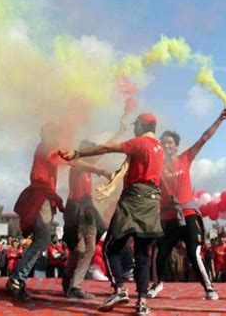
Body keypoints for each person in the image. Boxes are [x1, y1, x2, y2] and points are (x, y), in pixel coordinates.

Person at [59, 112, 164, 316]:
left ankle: (119, 289)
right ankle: (142, 302)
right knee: (142, 254)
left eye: (136, 126)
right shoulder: (158, 148)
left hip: (133, 200)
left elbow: (106, 148)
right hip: (152, 202)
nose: (135, 129)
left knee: (110, 248)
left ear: (142, 126)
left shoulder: (138, 143)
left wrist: (78, 153)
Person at [6, 123, 109, 302]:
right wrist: (99, 170)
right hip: (42, 196)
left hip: (46, 196)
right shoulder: (47, 148)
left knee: (43, 239)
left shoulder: (49, 148)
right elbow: (71, 161)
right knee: (44, 239)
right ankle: (17, 280)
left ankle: (18, 280)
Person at [148, 108, 226, 300]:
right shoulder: (156, 165)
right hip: (167, 218)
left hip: (188, 214)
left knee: (194, 253)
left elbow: (204, 138)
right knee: (160, 253)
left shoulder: (185, 158)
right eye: (164, 143)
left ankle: (209, 288)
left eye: (170, 143)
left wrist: (220, 119)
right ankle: (157, 284)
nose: (167, 146)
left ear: (176, 146)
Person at [63, 122, 126, 298]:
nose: (91, 156)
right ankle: (68, 279)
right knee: (79, 250)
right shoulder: (76, 163)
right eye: (88, 152)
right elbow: (84, 164)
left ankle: (75, 286)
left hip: (87, 209)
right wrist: (103, 171)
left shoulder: (88, 163)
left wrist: (118, 133)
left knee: (89, 248)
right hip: (75, 209)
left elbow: (104, 149)